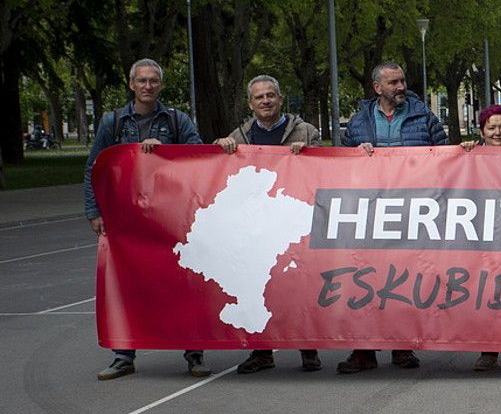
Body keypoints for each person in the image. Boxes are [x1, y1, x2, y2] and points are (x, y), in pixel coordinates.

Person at [85, 58, 207, 380]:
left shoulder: (177, 120)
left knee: (184, 283)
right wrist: (93, 210)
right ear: (131, 85)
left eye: (154, 81)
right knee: (125, 286)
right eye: (142, 81)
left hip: (172, 219)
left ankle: (194, 353)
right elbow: (94, 168)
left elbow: (198, 156)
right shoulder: (112, 122)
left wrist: (166, 150)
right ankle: (123, 355)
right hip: (127, 219)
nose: (148, 86)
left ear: (161, 85)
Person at [336, 61, 448, 374]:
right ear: (377, 88)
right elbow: (342, 167)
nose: (400, 87)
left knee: (404, 280)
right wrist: (358, 153)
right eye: (393, 83)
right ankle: (364, 350)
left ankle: (402, 346)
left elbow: (445, 157)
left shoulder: (424, 117)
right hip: (370, 216)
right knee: (365, 282)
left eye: (402, 81)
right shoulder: (359, 122)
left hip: (413, 214)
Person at [217, 75, 323, 374]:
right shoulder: (238, 136)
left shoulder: (305, 130)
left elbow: (326, 168)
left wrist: (310, 153)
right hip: (255, 226)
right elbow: (218, 170)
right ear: (250, 103)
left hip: (293, 221)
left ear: (280, 98)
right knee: (254, 288)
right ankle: (261, 351)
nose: (265, 101)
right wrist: (220, 147)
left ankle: (308, 348)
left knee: (298, 286)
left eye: (270, 95)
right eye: (259, 97)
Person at [459, 104, 501, 372]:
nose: (497, 132)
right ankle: (487, 349)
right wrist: (463, 151)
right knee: (484, 291)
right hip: (482, 236)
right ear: (481, 131)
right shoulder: (471, 156)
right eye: (491, 127)